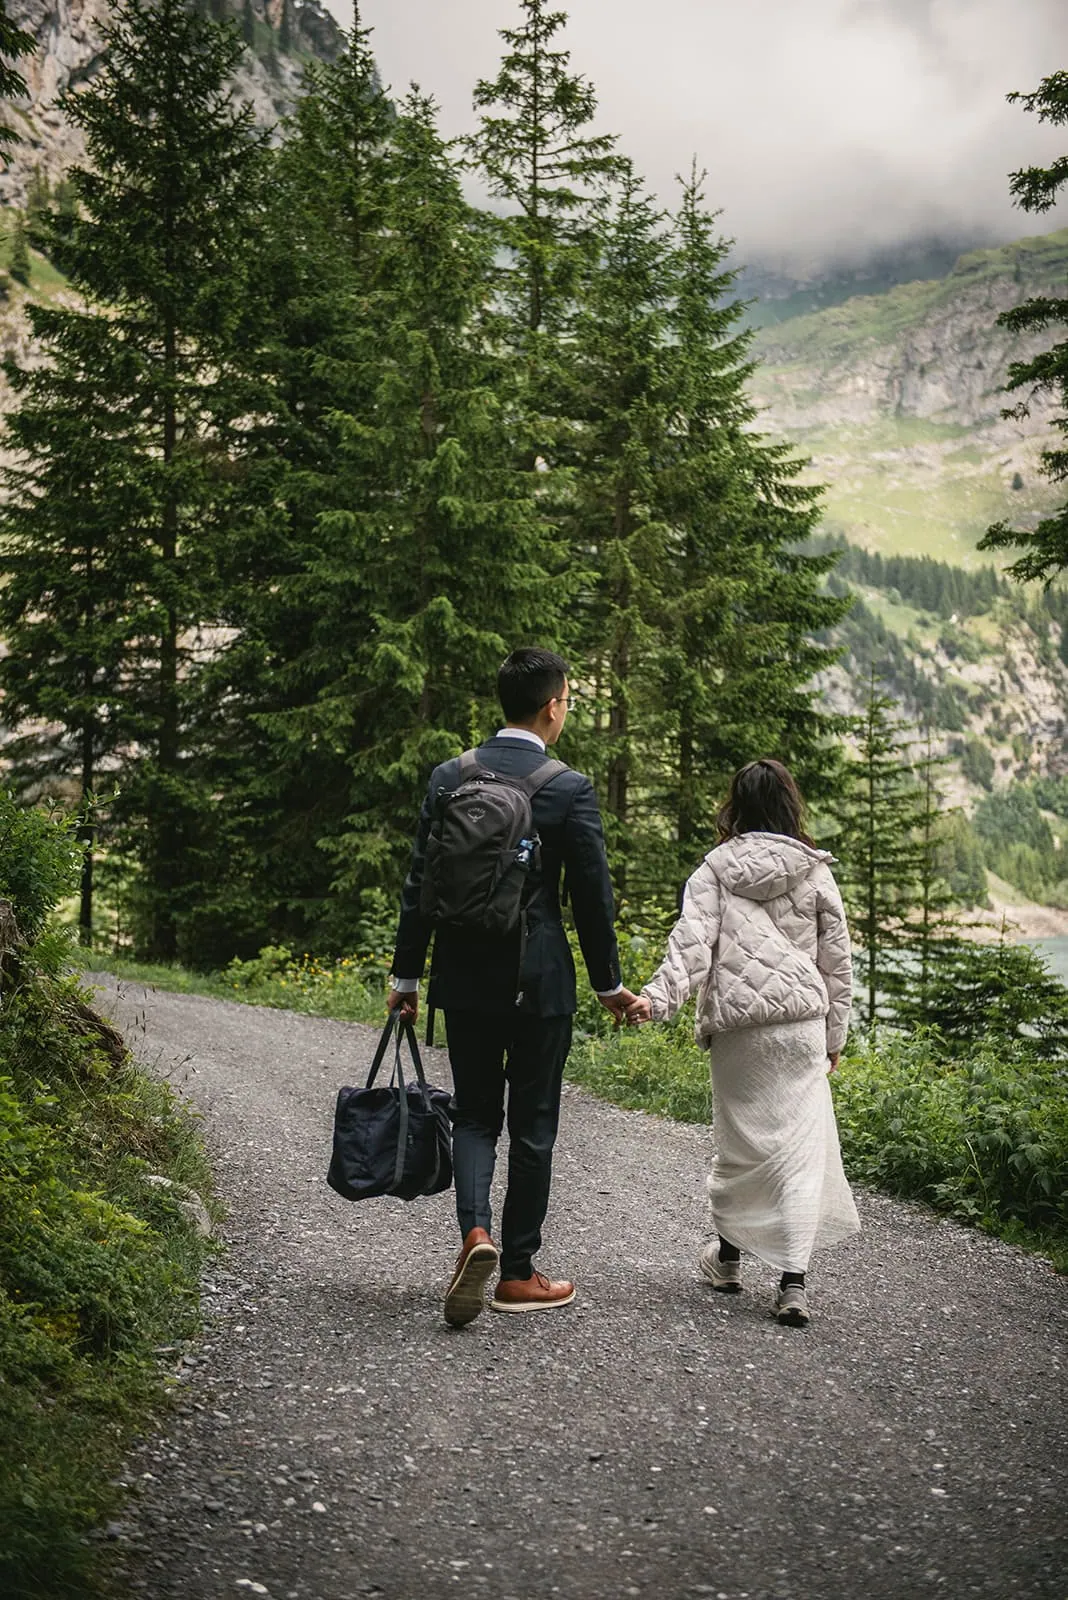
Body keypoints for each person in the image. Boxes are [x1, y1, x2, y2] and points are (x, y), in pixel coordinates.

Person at [389, 646, 636, 1327]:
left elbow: (420, 887)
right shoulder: (566, 788)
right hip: (540, 982)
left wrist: (406, 976)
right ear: (552, 705)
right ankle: (519, 1274)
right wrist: (610, 984)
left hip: (463, 976)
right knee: (533, 1128)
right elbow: (592, 899)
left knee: (473, 1115)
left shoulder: (450, 776)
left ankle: (475, 1235)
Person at [625, 758, 858, 1327]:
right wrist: (835, 1038)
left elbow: (690, 948)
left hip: (740, 1031)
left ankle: (727, 1260)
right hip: (801, 1026)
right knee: (799, 1154)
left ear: (737, 805)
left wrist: (654, 1001)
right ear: (788, 804)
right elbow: (838, 964)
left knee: (740, 1147)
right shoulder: (815, 871)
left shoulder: (715, 870)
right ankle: (793, 1285)